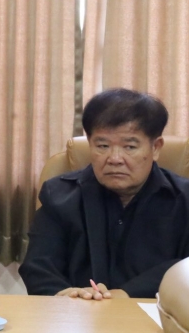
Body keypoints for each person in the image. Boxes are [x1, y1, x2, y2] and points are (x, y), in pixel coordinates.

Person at [20, 88, 189, 299]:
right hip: (75, 313)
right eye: (102, 145)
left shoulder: (184, 200)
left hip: (156, 316)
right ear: (90, 144)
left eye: (129, 147)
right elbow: (38, 267)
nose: (114, 158)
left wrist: (126, 294)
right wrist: (67, 296)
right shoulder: (59, 196)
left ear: (155, 148)